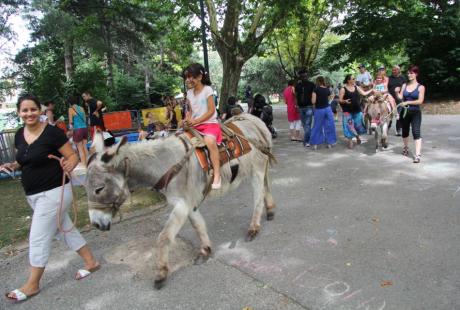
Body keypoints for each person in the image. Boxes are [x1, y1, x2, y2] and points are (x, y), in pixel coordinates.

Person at [2, 94, 99, 303]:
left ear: (40, 110)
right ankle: (91, 261)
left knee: (37, 237)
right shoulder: (20, 134)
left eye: (33, 109)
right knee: (64, 230)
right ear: (19, 113)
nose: (29, 114)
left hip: (55, 192)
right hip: (33, 195)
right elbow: (24, 159)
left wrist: (71, 163)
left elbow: (72, 155)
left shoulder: (53, 133)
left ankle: (32, 284)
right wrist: (13, 165)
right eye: (24, 110)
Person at [183, 63, 222, 189]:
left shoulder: (207, 90)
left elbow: (211, 111)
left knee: (209, 141)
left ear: (200, 77)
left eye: (191, 77)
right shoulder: (189, 93)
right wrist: (187, 119)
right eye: (187, 77)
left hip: (210, 124)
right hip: (195, 125)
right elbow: (189, 110)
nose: (188, 80)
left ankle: (217, 174)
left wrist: (196, 121)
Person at [395, 65, 425, 163]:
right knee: (405, 132)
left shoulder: (421, 87)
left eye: (411, 73)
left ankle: (417, 155)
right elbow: (400, 97)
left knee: (416, 132)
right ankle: (406, 148)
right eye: (408, 73)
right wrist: (396, 93)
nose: (409, 75)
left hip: (415, 112)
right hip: (405, 112)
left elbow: (420, 101)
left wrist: (408, 102)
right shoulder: (404, 85)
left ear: (416, 74)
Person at [339, 74, 373, 149]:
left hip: (357, 110)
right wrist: (345, 101)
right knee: (349, 126)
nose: (354, 80)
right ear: (348, 80)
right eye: (353, 79)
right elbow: (340, 100)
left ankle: (357, 137)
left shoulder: (356, 87)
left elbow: (364, 93)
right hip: (347, 111)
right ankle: (350, 141)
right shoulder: (343, 89)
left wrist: (372, 90)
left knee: (358, 125)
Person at [310, 76, 337, 149]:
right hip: (328, 109)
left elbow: (313, 101)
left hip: (319, 110)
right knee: (329, 125)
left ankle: (315, 144)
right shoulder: (327, 89)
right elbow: (330, 98)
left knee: (317, 126)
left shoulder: (315, 90)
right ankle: (330, 143)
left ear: (317, 81)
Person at [295, 70, 315, 147]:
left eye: (306, 76)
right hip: (300, 107)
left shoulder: (312, 84)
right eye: (303, 76)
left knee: (307, 124)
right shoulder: (298, 85)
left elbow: (314, 96)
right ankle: (308, 139)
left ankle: (307, 141)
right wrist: (296, 105)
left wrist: (314, 106)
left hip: (309, 107)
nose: (304, 77)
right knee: (304, 125)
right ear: (300, 77)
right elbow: (296, 96)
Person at [68, 96, 89, 167]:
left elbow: (71, 122)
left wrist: (70, 131)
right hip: (85, 129)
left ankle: (83, 164)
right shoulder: (81, 108)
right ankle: (88, 163)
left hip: (78, 129)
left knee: (80, 149)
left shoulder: (70, 109)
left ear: (69, 103)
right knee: (85, 147)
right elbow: (85, 119)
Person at [388, 65, 407, 136]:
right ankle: (388, 127)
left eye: (395, 70)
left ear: (399, 70)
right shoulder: (389, 78)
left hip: (399, 99)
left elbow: (404, 88)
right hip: (390, 99)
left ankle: (398, 129)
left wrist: (402, 96)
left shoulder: (403, 78)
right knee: (390, 114)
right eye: (393, 70)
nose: (394, 71)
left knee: (399, 114)